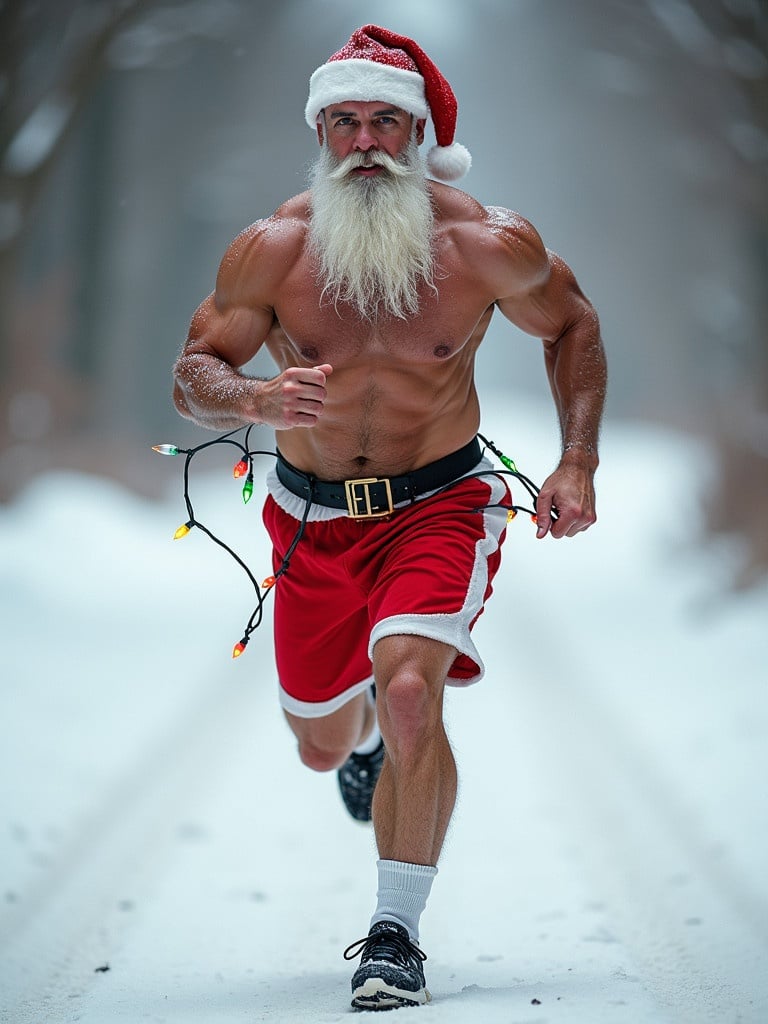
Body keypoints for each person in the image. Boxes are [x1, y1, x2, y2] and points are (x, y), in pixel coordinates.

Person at [172, 24, 606, 1012]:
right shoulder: (273, 250)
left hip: (441, 503)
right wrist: (252, 403)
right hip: (310, 521)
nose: (365, 141)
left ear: (419, 135)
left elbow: (574, 324)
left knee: (410, 685)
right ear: (321, 133)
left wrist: (576, 457)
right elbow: (192, 370)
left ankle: (394, 936)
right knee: (319, 740)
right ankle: (356, 744)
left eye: (385, 122)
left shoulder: (487, 243)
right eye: (345, 122)